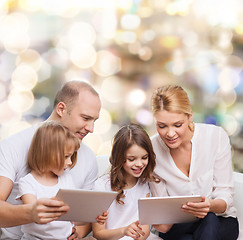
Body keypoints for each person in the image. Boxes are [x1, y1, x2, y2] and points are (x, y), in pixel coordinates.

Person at [0, 80, 101, 239]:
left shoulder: (88, 158)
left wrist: (80, 232)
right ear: (61, 108)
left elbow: (85, 214)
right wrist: (31, 212)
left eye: (95, 120)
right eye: (85, 118)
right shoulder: (12, 147)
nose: (91, 128)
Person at [149, 84, 239, 240]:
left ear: (190, 116)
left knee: (208, 218)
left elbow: (225, 194)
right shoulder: (152, 149)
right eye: (162, 126)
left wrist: (210, 205)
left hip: (220, 220)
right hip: (179, 224)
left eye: (178, 125)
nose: (170, 134)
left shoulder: (215, 137)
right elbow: (162, 211)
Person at [92, 123, 160, 240]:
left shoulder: (145, 184)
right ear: (119, 157)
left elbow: (145, 229)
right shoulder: (102, 186)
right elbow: (98, 233)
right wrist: (124, 231)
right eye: (131, 159)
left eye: (144, 157)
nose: (139, 164)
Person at [17, 121, 80, 239]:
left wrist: (93, 215)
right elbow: (34, 214)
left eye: (71, 156)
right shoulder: (27, 183)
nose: (70, 162)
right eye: (66, 156)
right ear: (47, 153)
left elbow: (74, 215)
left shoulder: (67, 178)